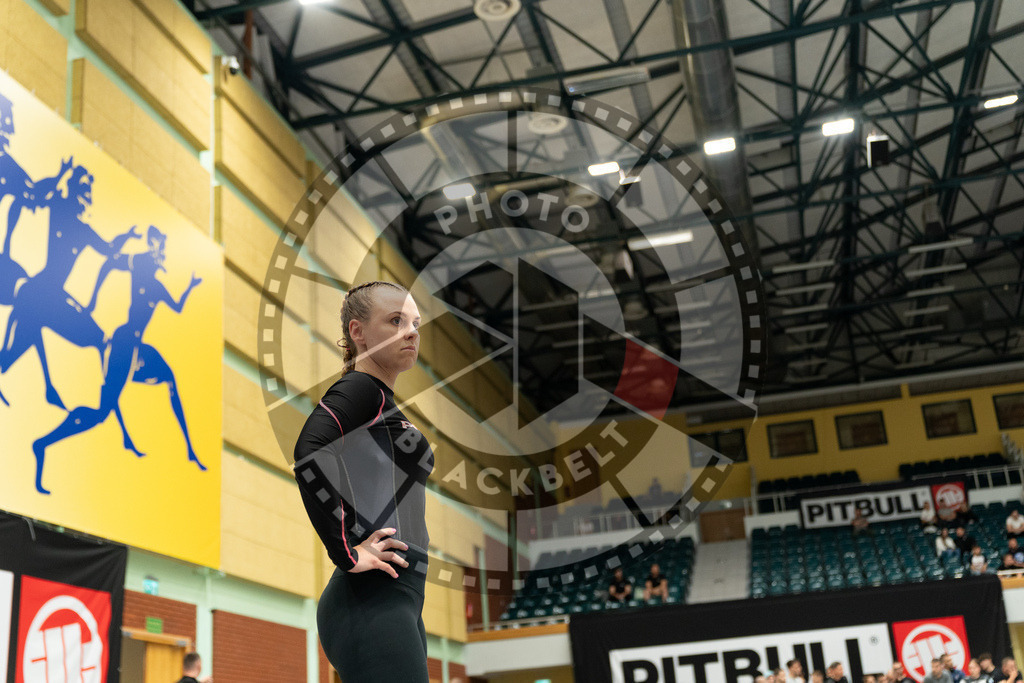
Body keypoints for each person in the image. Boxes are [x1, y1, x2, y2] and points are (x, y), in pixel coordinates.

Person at [294, 281, 434, 683]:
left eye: (415, 323)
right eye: (395, 320)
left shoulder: (382, 402)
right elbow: (309, 451)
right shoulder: (361, 389)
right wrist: (347, 553)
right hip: (370, 599)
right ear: (358, 332)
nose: (411, 331)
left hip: (398, 597)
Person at [32, 227, 204, 494]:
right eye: (161, 248)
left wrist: (191, 287)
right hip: (123, 344)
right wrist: (92, 299)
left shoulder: (158, 287)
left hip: (138, 349)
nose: (163, 254)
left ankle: (190, 449)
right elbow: (109, 263)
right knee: (100, 413)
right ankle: (43, 443)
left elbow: (179, 306)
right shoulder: (139, 264)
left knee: (170, 377)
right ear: (153, 247)